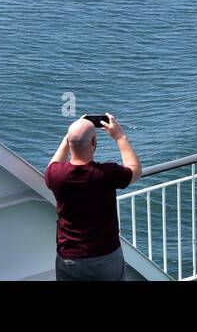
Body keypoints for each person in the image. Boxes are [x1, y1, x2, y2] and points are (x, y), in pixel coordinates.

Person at [45, 113, 142, 280]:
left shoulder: (55, 175)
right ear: (93, 142)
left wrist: (69, 138)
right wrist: (119, 136)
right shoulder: (107, 173)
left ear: (68, 142)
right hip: (105, 256)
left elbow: (53, 164)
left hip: (69, 258)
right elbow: (135, 170)